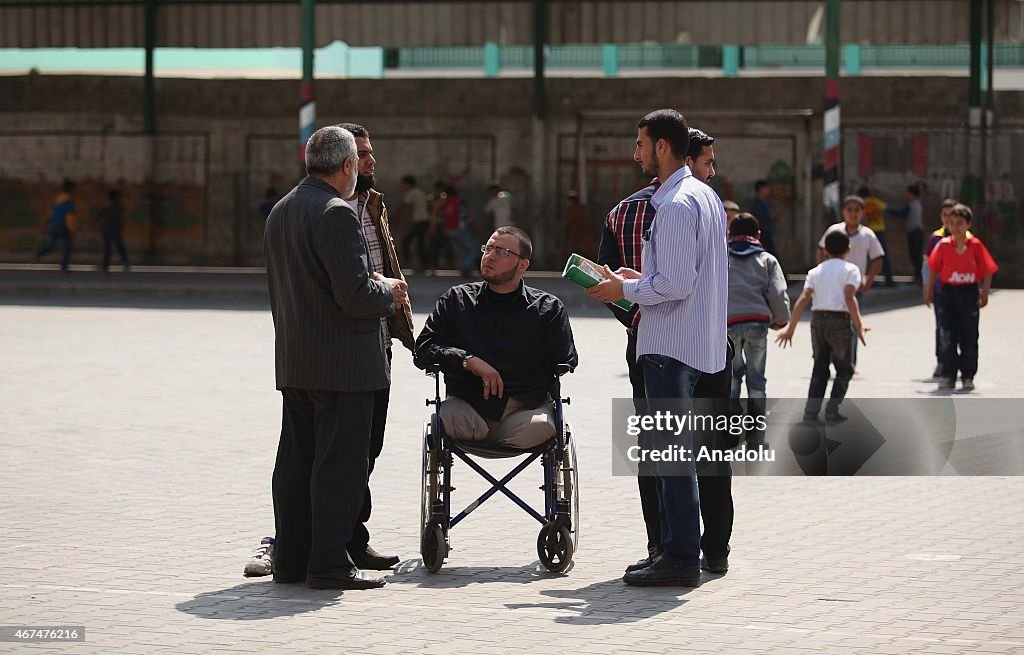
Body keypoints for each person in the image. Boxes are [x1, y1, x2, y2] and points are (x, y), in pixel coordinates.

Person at [245, 123, 416, 580]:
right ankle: (329, 563)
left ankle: (292, 560)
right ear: (347, 166)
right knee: (339, 469)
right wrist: (390, 293)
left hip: (298, 362)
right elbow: (356, 296)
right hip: (345, 367)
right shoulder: (336, 213)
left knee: (297, 465)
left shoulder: (281, 210)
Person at [589, 109, 728, 587]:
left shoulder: (672, 205)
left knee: (671, 458)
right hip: (700, 342)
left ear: (663, 146)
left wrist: (622, 291)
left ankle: (680, 557)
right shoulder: (705, 196)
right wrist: (635, 279)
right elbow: (679, 275)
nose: (636, 153)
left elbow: (675, 282)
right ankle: (677, 551)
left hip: (670, 344)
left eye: (641, 143)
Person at [414, 226, 578, 449]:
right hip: (467, 409)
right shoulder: (456, 300)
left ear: (523, 265)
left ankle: (502, 436)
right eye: (488, 248)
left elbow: (566, 360)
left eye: (502, 252)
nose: (489, 257)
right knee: (444, 418)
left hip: (523, 413)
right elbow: (423, 349)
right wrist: (467, 360)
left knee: (545, 426)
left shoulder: (547, 309)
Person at [776, 230, 868, 423]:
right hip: (840, 322)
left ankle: (811, 412)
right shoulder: (851, 270)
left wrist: (791, 328)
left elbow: (803, 299)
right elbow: (850, 298)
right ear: (848, 249)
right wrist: (859, 326)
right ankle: (832, 410)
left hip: (817, 321)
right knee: (845, 369)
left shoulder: (815, 271)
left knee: (819, 367)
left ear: (825, 250)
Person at [726, 212, 790, 446]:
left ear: (730, 234)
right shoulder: (767, 260)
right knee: (757, 381)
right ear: (758, 235)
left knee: (731, 379)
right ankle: (756, 436)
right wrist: (780, 320)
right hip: (757, 324)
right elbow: (778, 293)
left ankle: (730, 433)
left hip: (728, 326)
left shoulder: (722, 256)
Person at [924, 203, 998, 391]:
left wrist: (985, 292)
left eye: (960, 223)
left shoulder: (975, 246)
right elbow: (933, 269)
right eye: (952, 223)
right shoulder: (943, 245)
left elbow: (987, 269)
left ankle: (967, 375)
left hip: (968, 293)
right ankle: (949, 375)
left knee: (969, 335)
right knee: (947, 335)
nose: (955, 227)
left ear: (968, 225)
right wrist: (929, 290)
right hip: (948, 294)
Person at [817, 194, 884, 369]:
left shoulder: (867, 235)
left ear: (862, 213)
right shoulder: (834, 231)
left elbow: (877, 258)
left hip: (855, 287)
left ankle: (849, 361)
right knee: (831, 322)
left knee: (852, 323)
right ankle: (830, 358)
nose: (853, 214)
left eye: (857, 210)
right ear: (843, 212)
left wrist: (869, 279)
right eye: (849, 210)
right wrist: (823, 273)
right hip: (833, 285)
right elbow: (821, 251)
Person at [922, 199, 961, 378]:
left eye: (951, 215)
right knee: (942, 327)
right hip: (940, 290)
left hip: (961, 289)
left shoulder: (966, 238)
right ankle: (942, 361)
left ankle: (959, 362)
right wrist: (926, 287)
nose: (947, 219)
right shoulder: (936, 238)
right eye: (944, 215)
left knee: (962, 327)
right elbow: (927, 265)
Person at [36, 179, 77, 272]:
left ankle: (40, 253)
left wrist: (46, 224)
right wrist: (72, 229)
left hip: (52, 225)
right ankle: (64, 267)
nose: (75, 191)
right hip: (62, 226)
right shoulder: (69, 201)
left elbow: (50, 213)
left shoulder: (57, 199)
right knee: (67, 247)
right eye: (74, 189)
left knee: (51, 245)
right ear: (71, 189)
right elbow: (69, 217)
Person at [888, 183, 925, 282]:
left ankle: (919, 276)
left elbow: (902, 214)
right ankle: (919, 275)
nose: (906, 195)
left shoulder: (912, 205)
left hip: (914, 232)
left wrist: (889, 209)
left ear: (911, 194)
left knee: (915, 255)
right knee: (917, 255)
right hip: (918, 231)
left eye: (908, 193)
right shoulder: (918, 203)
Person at [858, 186, 893, 287]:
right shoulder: (876, 202)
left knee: (868, 257)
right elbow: (887, 208)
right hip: (880, 231)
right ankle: (888, 279)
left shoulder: (862, 205)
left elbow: (861, 220)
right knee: (882, 256)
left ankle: (870, 279)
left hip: (868, 232)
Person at [399, 175, 431, 271]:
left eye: (403, 185)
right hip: (425, 220)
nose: (402, 187)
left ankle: (410, 262)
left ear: (408, 184)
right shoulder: (421, 193)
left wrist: (405, 224)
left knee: (406, 242)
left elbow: (409, 209)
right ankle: (424, 263)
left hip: (416, 222)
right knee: (421, 243)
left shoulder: (410, 194)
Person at [96, 189, 130, 273]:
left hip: (107, 230)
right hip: (114, 230)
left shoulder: (106, 207)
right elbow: (124, 216)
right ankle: (125, 262)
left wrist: (99, 224)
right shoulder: (118, 208)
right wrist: (122, 225)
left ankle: (105, 266)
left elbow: (98, 217)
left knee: (108, 249)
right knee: (119, 247)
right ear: (117, 198)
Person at [749, 179, 776, 255]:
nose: (769, 191)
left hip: (767, 231)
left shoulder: (765, 202)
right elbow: (759, 217)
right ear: (761, 189)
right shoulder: (757, 203)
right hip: (762, 232)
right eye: (767, 188)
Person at [565, 191, 594, 257]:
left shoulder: (576, 210)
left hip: (580, 237)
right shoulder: (579, 209)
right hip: (580, 237)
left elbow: (571, 221)